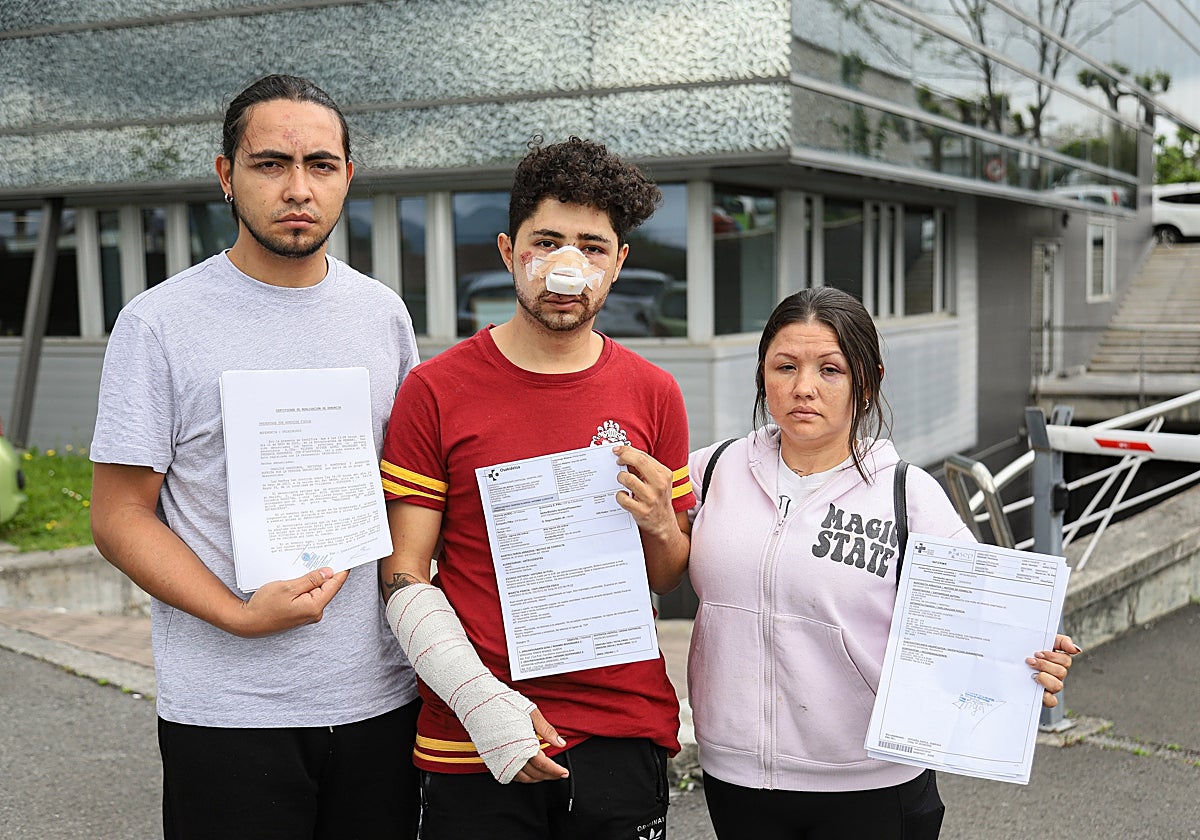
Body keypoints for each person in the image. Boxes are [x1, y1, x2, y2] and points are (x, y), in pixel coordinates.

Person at [89, 74, 421, 839]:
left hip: (379, 696)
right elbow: (118, 516)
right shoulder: (159, 324)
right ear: (225, 176)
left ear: (347, 177)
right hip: (228, 709)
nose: (298, 188)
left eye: (322, 166)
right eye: (271, 164)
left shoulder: (382, 315)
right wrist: (238, 617)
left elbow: (404, 490)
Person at [378, 136, 694, 839]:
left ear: (618, 264)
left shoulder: (654, 393)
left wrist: (661, 527)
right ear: (506, 250)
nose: (566, 266)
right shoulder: (435, 390)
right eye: (545, 241)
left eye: (592, 246)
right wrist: (481, 703)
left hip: (620, 728)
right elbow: (402, 573)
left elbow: (669, 573)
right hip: (476, 733)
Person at [683, 286, 1080, 839]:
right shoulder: (711, 470)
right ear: (762, 376)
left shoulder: (907, 495)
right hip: (736, 778)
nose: (804, 388)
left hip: (873, 785)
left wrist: (1033, 660)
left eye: (830, 370)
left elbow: (989, 621)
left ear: (867, 381)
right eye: (785, 366)